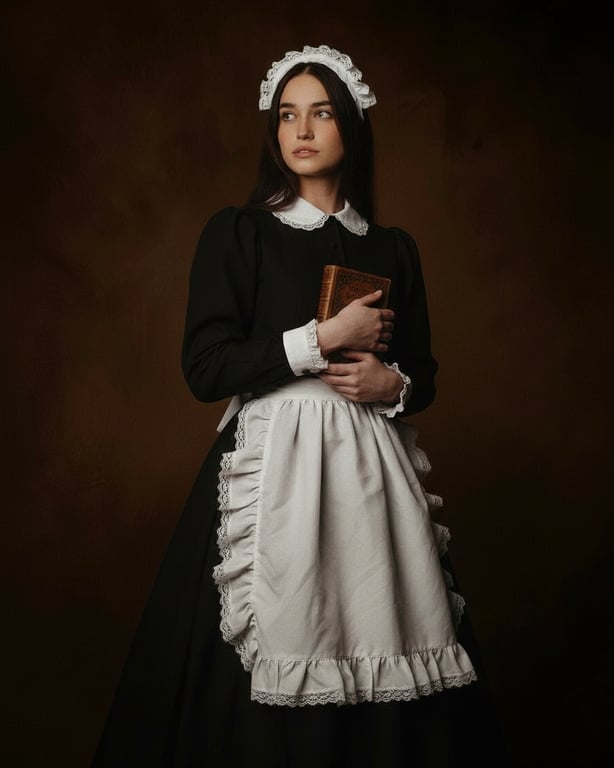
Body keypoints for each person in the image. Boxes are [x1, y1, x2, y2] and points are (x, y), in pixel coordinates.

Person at [91, 44, 511, 767]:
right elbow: (206, 366)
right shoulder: (240, 232)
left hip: (372, 475)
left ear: (352, 125)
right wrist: (320, 340)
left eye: (320, 112)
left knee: (389, 634)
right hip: (274, 469)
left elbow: (425, 371)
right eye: (288, 115)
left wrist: (395, 387)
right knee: (271, 646)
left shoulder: (392, 248)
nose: (302, 129)